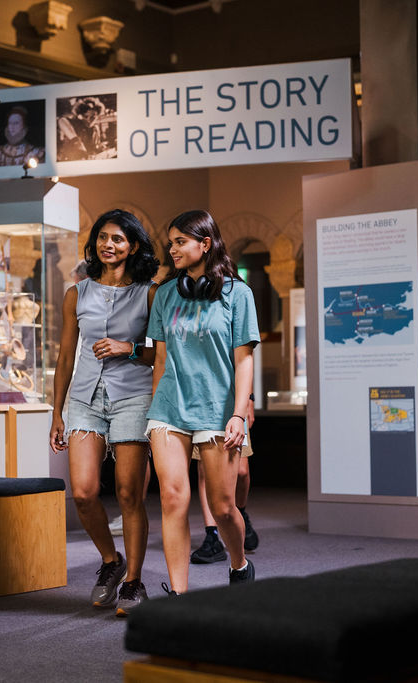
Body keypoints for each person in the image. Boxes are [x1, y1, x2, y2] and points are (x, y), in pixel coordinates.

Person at [50, 209, 159, 616]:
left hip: (133, 397)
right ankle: (112, 563)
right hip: (84, 399)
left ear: (132, 245)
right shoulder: (76, 293)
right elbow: (65, 357)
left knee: (131, 493)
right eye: (102, 237)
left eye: (117, 238)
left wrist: (127, 348)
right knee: (82, 492)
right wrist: (56, 412)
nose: (108, 245)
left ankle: (134, 583)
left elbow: (160, 354)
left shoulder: (150, 293)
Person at [147, 209, 260, 594]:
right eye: (171, 242)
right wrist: (152, 410)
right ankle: (179, 594)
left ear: (205, 244)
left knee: (224, 507)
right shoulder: (164, 294)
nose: (172, 248)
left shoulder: (238, 293)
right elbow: (160, 360)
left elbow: (244, 359)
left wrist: (239, 414)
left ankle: (239, 563)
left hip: (217, 408)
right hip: (169, 409)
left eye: (180, 242)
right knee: (173, 497)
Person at [190, 395, 259, 563]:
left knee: (242, 472)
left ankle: (240, 514)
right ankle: (212, 535)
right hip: (202, 401)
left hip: (233, 402)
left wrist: (249, 399)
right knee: (205, 471)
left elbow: (244, 367)